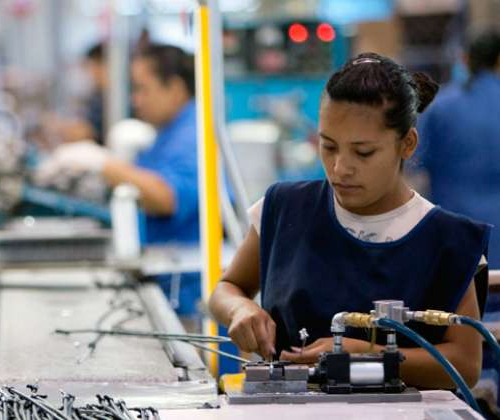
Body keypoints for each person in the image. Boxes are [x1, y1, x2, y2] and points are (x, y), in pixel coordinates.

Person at [209, 52, 490, 389]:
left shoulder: (449, 240)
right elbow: (228, 288)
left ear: (407, 144)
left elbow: (464, 364)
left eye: (363, 152)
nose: (341, 168)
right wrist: (240, 310)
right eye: (328, 147)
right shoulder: (285, 208)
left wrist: (363, 354)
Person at [37, 44, 201, 316]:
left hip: (186, 291)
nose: (135, 100)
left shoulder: (192, 132)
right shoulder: (167, 132)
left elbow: (167, 197)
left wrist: (101, 162)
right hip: (165, 279)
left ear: (174, 88)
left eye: (142, 89)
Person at [415, 29, 500, 269]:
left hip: (455, 234)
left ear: (465, 60)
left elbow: (415, 164)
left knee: (460, 300)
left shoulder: (440, 108)